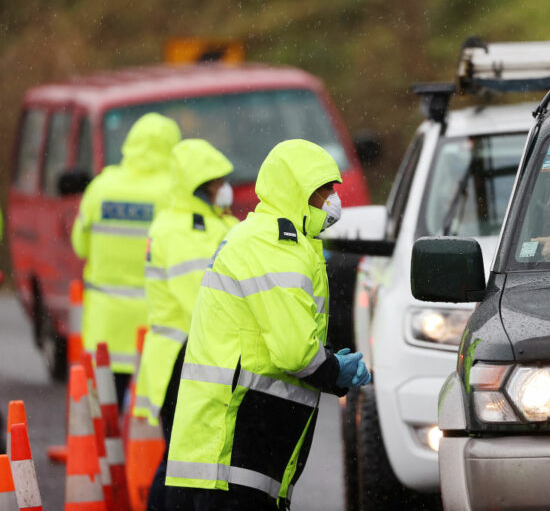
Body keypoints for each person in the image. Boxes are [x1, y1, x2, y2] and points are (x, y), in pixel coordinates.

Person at [165, 139, 371, 510]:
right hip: (233, 451)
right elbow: (294, 352)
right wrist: (333, 369)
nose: (332, 200)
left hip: (229, 454)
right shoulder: (275, 244)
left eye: (332, 190)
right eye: (322, 191)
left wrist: (327, 363)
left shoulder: (267, 238)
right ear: (296, 191)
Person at [132, 139, 240, 510]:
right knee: (183, 464)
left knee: (186, 461)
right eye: (216, 181)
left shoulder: (209, 222)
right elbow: (203, 299)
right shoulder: (180, 230)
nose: (224, 187)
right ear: (199, 184)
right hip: (184, 357)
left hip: (193, 356)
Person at [71, 113, 182, 408]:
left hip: (105, 327)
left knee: (105, 417)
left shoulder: (101, 187)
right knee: (149, 415)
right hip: (153, 328)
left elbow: (79, 245)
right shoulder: (173, 193)